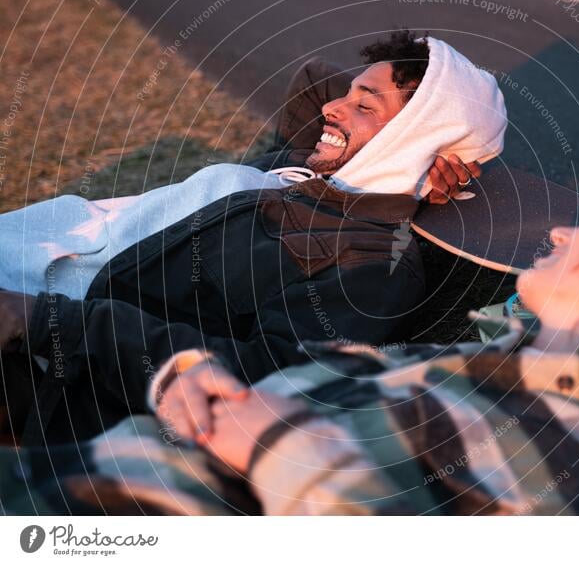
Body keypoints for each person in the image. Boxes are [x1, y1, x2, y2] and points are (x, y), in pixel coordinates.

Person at [2, 195, 579, 515]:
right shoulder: (500, 372)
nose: (561, 231)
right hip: (95, 461)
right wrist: (195, 386)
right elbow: (283, 401)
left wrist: (276, 443)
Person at [0, 30, 508, 446]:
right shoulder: (299, 171)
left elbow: (269, 380)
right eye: (349, 93)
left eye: (364, 105)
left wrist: (43, 321)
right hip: (26, 258)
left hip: (48, 364)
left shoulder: (369, 260)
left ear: (410, 141)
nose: (332, 107)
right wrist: (398, 131)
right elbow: (313, 80)